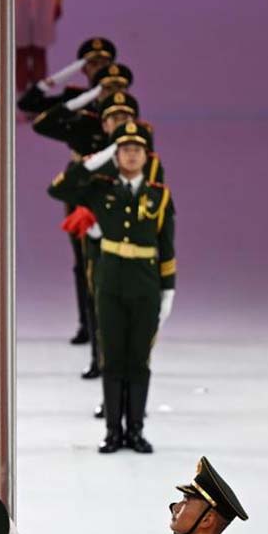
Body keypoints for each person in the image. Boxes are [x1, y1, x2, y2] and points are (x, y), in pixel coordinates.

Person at [48, 121, 175, 453]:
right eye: (124, 150)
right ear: (116, 156)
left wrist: (168, 291)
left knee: (139, 360)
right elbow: (59, 188)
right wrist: (98, 159)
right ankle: (113, 432)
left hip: (145, 285)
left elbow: (167, 247)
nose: (131, 155)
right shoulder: (100, 189)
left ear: (147, 157)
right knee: (113, 359)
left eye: (137, 150)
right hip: (111, 284)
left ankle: (136, 431)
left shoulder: (159, 196)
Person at [18, 38, 117, 349]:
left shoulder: (120, 104)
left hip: (113, 182)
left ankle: (111, 321)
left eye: (103, 62)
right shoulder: (76, 98)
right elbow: (30, 104)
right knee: (82, 255)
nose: (97, 68)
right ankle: (87, 323)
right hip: (81, 184)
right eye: (91, 63)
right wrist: (68, 74)